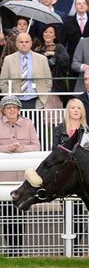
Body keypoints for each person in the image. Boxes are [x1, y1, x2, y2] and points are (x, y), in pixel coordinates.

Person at [0, 95, 41, 251]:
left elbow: (36, 146)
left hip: (22, 179)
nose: (12, 110)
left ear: (19, 109)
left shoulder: (28, 124)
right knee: (6, 214)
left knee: (20, 214)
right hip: (4, 178)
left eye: (14, 107)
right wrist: (7, 148)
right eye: (8, 107)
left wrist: (20, 148)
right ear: (3, 110)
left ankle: (18, 249)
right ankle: (9, 249)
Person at [33, 25, 70, 95]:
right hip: (41, 83)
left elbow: (66, 61)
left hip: (57, 83)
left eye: (50, 32)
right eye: (45, 32)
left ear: (55, 36)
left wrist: (54, 54)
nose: (48, 34)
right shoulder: (38, 49)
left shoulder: (59, 47)